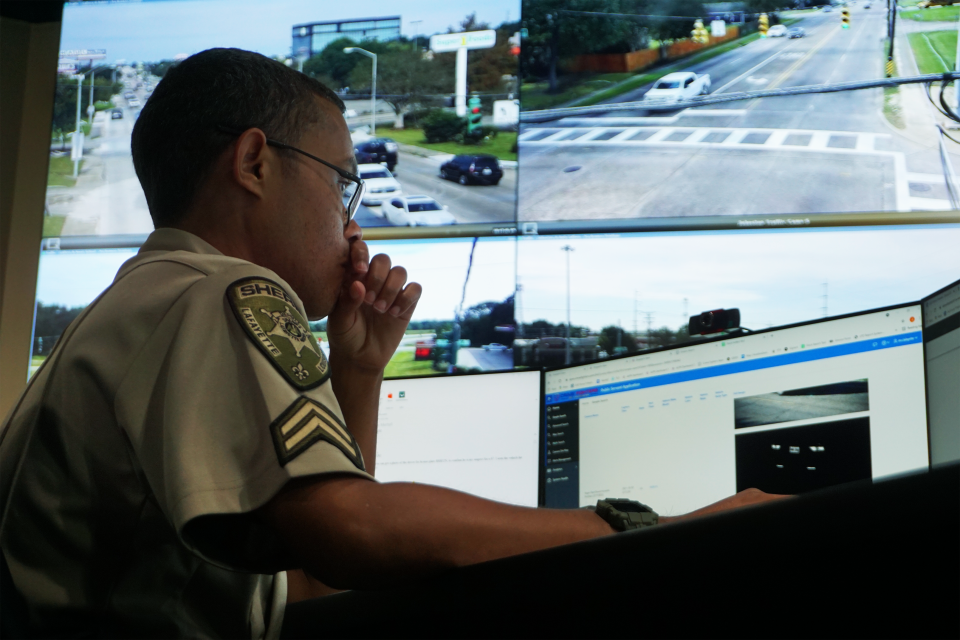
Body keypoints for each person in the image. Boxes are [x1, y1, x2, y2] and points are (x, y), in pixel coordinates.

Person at [0, 48, 782, 638]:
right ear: (253, 162)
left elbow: (305, 582)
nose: (354, 222)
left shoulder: (142, 302)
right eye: (342, 182)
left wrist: (358, 370)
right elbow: (351, 533)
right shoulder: (222, 290)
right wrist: (655, 532)